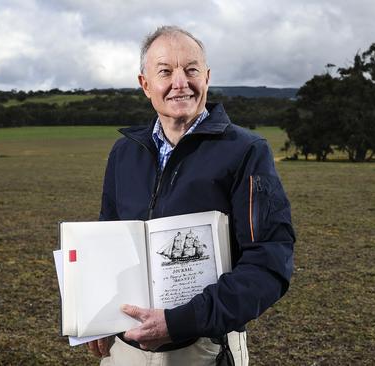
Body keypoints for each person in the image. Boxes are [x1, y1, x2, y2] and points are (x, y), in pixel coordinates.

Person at [88, 25, 295, 366]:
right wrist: (97, 315)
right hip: (125, 351)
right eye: (165, 72)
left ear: (208, 77)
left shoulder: (247, 151)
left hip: (205, 350)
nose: (180, 82)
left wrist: (180, 322)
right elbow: (107, 240)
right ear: (145, 84)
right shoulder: (124, 153)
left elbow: (269, 261)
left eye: (192, 69)